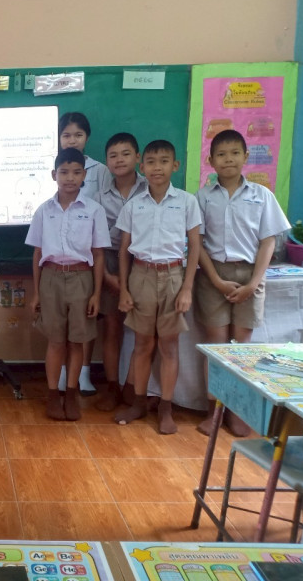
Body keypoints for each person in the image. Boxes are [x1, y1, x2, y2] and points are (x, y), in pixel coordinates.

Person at [195, 129, 290, 436]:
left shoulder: (262, 196)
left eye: (235, 153)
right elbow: (198, 244)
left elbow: (268, 242)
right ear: (211, 161)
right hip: (213, 275)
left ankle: (236, 411)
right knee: (216, 347)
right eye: (221, 155)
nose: (228, 160)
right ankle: (213, 411)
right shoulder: (203, 197)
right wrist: (215, 279)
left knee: (241, 349)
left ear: (246, 157)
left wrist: (253, 283)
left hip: (251, 275)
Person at [115, 140, 201, 434]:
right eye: (151, 162)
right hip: (141, 275)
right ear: (142, 167)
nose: (157, 168)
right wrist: (124, 290)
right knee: (142, 345)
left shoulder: (187, 202)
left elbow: (195, 247)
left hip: (173, 276)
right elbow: (123, 250)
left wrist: (187, 288)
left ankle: (166, 407)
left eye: (164, 161)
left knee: (169, 347)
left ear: (175, 166)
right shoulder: (133, 205)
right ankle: (139, 402)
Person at [26, 148, 111, 421]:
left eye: (76, 172)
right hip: (50, 278)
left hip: (81, 278)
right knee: (55, 341)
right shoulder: (43, 210)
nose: (70, 178)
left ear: (84, 175)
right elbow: (37, 254)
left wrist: (96, 293)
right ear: (54, 175)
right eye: (64, 172)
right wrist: (36, 292)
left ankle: (71, 394)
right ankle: (54, 394)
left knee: (76, 342)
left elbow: (99, 255)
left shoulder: (94, 210)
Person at [57, 112, 115, 396]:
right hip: (60, 252)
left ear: (87, 138)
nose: (72, 140)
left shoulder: (100, 170)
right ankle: (62, 373)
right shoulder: (56, 166)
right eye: (67, 135)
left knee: (85, 320)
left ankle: (84, 373)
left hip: (89, 252)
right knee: (61, 322)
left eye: (78, 135)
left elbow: (103, 206)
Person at [95, 132, 148, 411]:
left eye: (126, 154)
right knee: (112, 328)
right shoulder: (99, 197)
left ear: (138, 157)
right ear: (106, 161)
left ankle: (133, 387)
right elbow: (93, 241)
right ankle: (112, 386)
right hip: (110, 261)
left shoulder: (151, 189)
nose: (119, 160)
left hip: (142, 262)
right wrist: (106, 275)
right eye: (113, 156)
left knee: (142, 330)